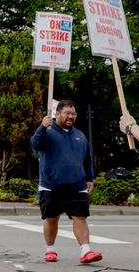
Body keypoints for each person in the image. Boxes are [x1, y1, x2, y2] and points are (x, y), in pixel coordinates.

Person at [31, 100, 102, 264]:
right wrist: (42, 127)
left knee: (80, 217)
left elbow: (87, 159)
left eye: (73, 114)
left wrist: (90, 178)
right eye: (67, 113)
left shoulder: (80, 136)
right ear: (57, 114)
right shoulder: (47, 132)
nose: (71, 117)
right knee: (51, 218)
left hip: (77, 185)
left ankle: (86, 251)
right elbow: (35, 144)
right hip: (51, 185)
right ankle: (50, 250)